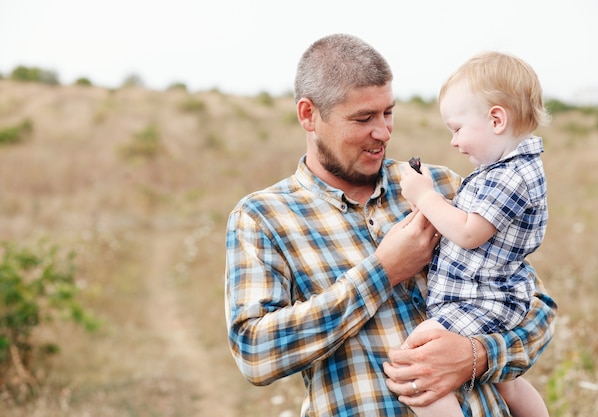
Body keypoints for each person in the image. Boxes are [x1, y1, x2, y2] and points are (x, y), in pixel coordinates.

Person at [224, 33, 557, 416]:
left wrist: (475, 356)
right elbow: (255, 354)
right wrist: (382, 272)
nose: (382, 132)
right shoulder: (263, 218)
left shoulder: (443, 188)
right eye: (363, 118)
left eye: (387, 113)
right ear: (308, 115)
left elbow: (536, 308)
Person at [399, 51, 551, 417]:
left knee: (416, 364)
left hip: (481, 300)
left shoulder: (512, 176)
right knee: (506, 382)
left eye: (457, 128)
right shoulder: (500, 170)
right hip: (480, 295)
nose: (453, 141)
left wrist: (424, 196)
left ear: (496, 119)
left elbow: (469, 233)